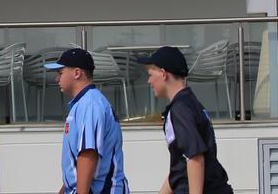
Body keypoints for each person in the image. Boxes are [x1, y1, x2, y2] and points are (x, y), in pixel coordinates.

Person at [136, 46, 233, 194]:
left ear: (163, 74)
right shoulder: (190, 103)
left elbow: (195, 158)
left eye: (150, 74)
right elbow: (181, 165)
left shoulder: (180, 110)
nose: (149, 81)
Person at [45, 48, 129, 194]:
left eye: (60, 73)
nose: (57, 79)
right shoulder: (84, 103)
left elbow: (88, 153)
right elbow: (77, 168)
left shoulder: (90, 104)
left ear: (77, 73)